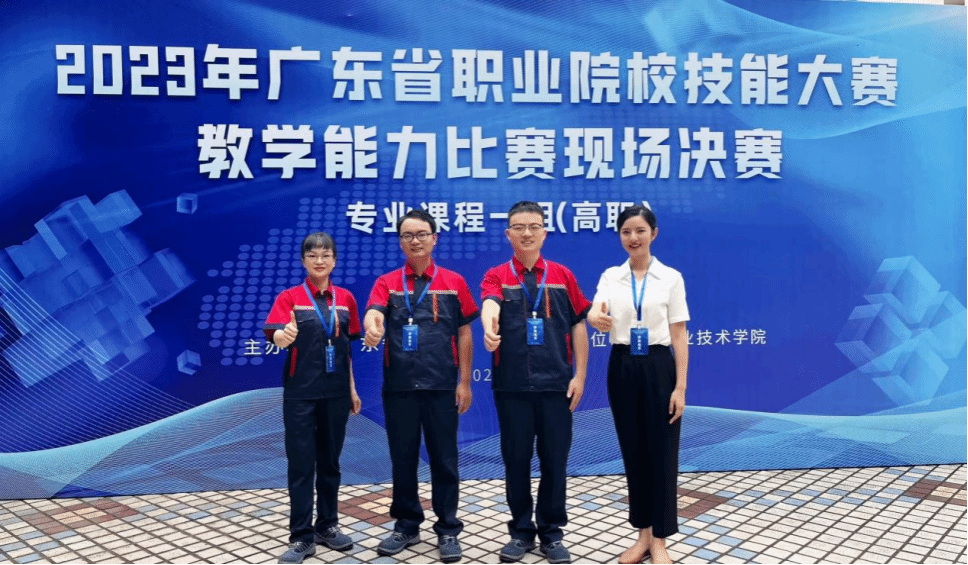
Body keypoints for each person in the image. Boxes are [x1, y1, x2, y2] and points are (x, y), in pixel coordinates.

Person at [363, 209, 478, 564]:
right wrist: (372, 325)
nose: (415, 240)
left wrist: (464, 382)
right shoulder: (387, 283)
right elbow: (374, 312)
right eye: (408, 235)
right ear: (400, 241)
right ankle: (406, 525)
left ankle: (448, 528)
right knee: (403, 459)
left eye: (422, 234)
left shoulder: (454, 282)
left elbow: (464, 332)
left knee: (445, 460)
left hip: (442, 386)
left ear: (434, 238)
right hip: (399, 387)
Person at [480, 201, 591, 565]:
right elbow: (490, 304)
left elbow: (578, 323)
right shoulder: (497, 275)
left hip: (557, 385)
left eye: (533, 226)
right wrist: (489, 325)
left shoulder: (562, 275)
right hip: (512, 387)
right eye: (518, 227)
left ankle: (552, 533)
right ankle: (520, 532)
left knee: (555, 461)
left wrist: (580, 376)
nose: (526, 233)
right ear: (508, 233)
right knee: (516, 461)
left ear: (544, 232)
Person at [586, 205, 689, 565]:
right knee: (634, 453)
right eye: (626, 231)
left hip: (659, 365)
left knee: (663, 453)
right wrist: (594, 317)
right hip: (623, 364)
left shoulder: (670, 278)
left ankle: (660, 540)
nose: (633, 238)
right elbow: (596, 309)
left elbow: (679, 333)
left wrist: (680, 387)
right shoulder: (611, 276)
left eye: (640, 231)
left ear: (653, 234)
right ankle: (642, 535)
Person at [263, 232, 363, 565]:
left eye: (326, 255)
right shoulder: (289, 297)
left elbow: (346, 350)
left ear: (334, 260)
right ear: (303, 260)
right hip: (301, 396)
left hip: (336, 395)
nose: (319, 260)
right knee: (302, 466)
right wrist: (284, 335)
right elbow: (276, 335)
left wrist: (352, 390)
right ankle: (301, 537)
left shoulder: (346, 299)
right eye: (312, 255)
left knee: (330, 464)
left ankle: (327, 526)